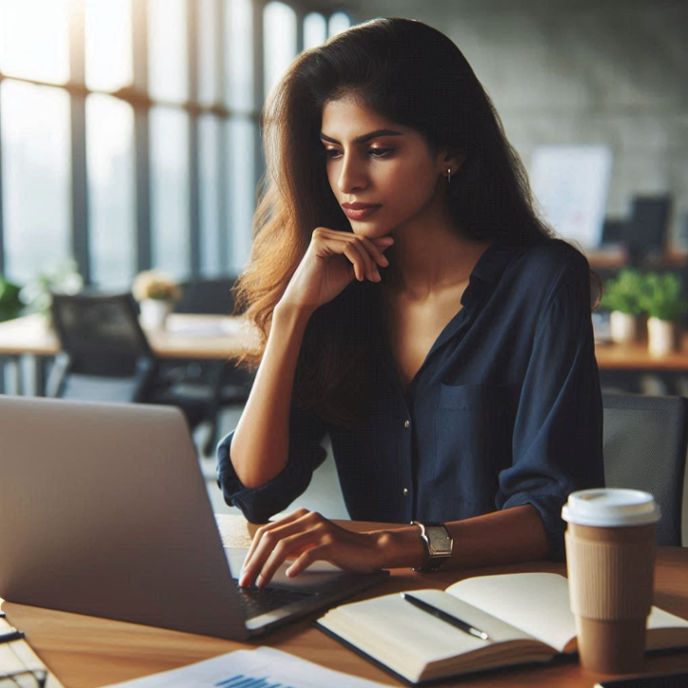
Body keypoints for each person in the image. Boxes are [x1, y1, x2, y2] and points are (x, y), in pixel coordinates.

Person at [217, 17, 604, 588]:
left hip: (505, 606)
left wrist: (388, 546)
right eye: (331, 151)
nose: (348, 179)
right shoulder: (341, 296)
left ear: (450, 150)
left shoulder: (542, 282)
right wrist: (292, 314)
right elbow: (256, 489)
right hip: (370, 609)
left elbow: (554, 514)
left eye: (379, 150)